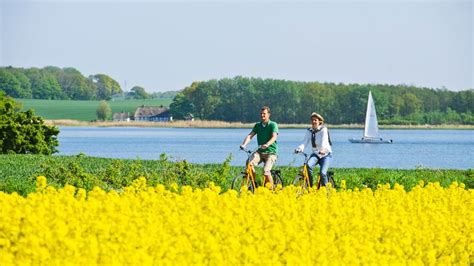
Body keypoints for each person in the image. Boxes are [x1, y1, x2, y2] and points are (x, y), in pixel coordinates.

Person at [240, 106, 279, 189]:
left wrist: (267, 144)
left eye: (264, 114)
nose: (262, 115)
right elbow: (250, 136)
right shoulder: (257, 125)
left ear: (269, 114)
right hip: (260, 152)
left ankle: (272, 190)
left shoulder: (273, 125)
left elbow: (274, 137)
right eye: (261, 114)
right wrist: (244, 144)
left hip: (271, 153)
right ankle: (254, 184)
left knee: (266, 171)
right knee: (249, 164)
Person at [294, 112, 333, 187]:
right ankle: (310, 187)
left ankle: (326, 190)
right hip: (316, 154)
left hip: (325, 155)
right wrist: (299, 149)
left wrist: (323, 149)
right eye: (312, 120)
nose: (313, 122)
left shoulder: (323, 129)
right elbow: (304, 142)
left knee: (323, 173)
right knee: (308, 165)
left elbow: (324, 141)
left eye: (315, 120)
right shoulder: (309, 131)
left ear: (319, 122)